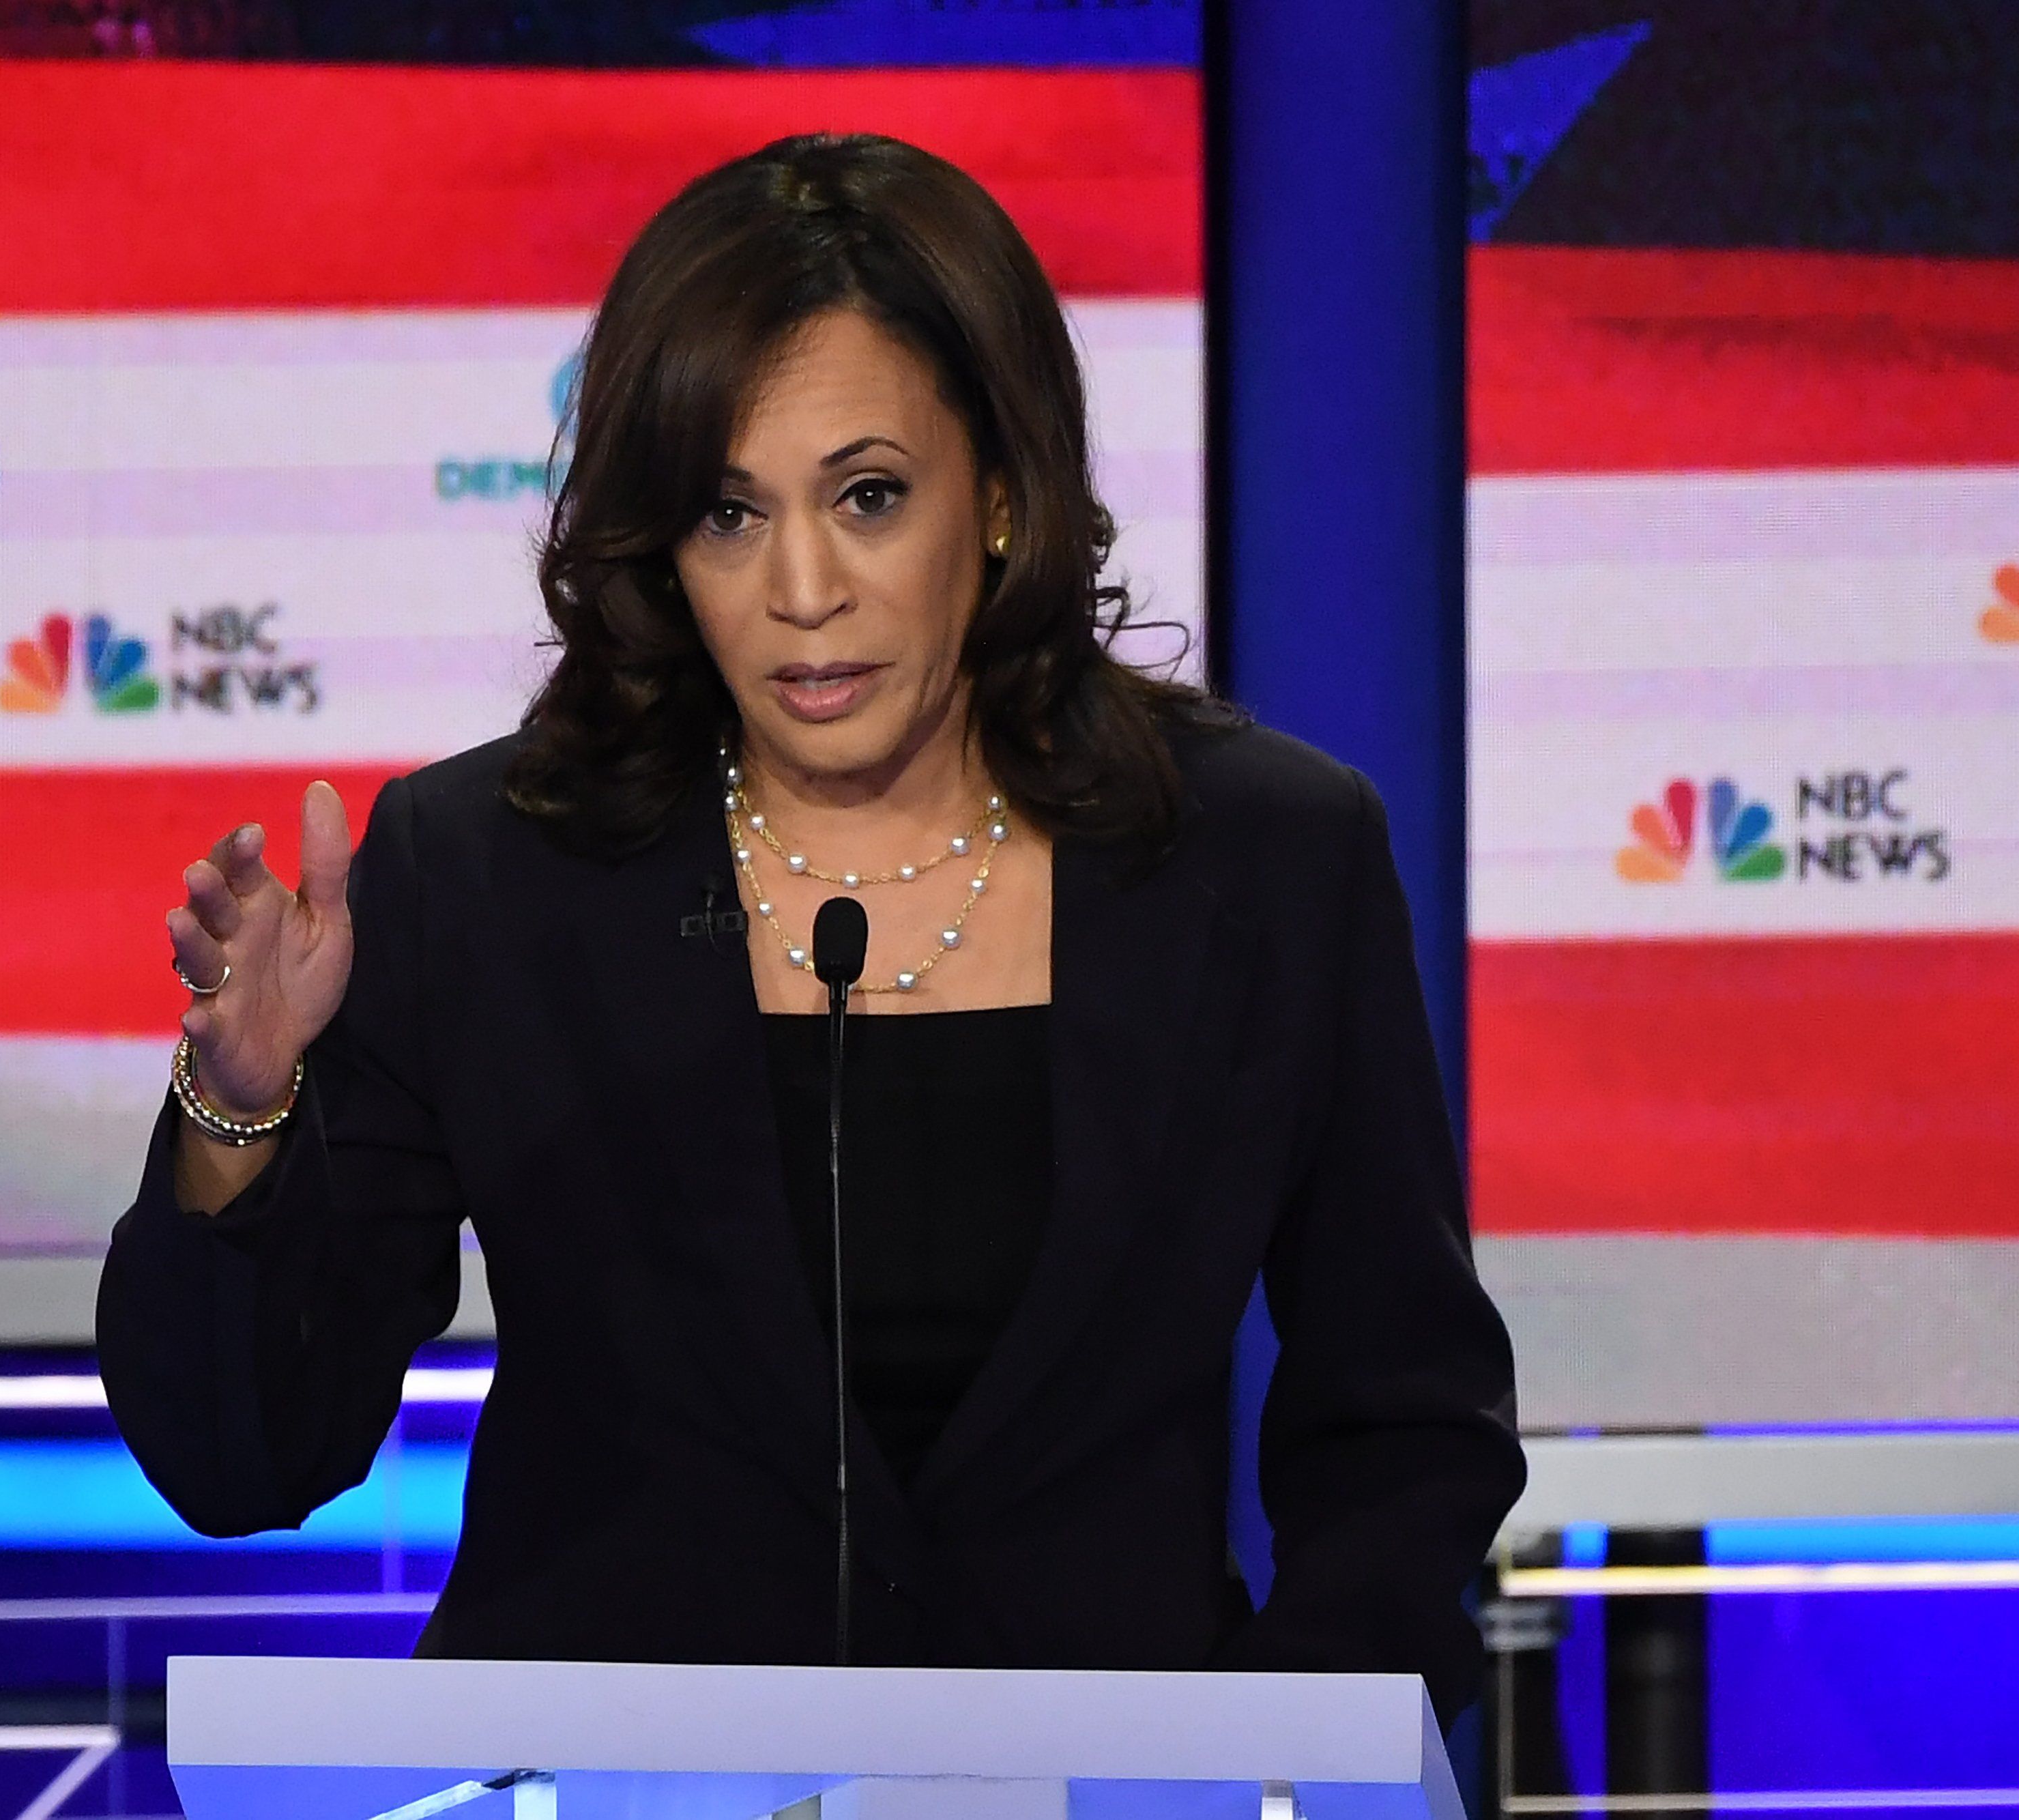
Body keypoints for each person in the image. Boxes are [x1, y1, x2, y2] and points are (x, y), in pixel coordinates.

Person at [96, 132, 1524, 1723]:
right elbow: (243, 1455)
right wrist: (241, 1107)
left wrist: (1277, 1754)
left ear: (994, 495)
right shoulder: (492, 874)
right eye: (726, 512)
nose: (801, 587)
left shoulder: (1260, 860)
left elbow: (1403, 1427)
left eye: (866, 496)